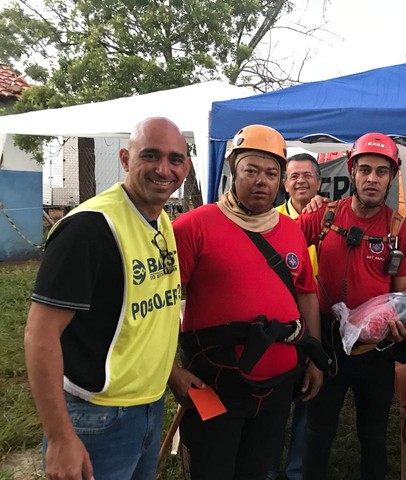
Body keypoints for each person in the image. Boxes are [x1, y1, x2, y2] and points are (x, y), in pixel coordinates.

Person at [24, 117, 198, 480]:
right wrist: (59, 437)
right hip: (95, 416)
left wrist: (171, 374)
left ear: (186, 167)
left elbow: (145, 315)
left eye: (175, 159)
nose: (163, 169)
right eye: (150, 155)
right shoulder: (88, 228)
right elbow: (40, 335)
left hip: (149, 406)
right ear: (125, 159)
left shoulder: (160, 221)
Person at [172, 124, 326, 480]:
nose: (261, 181)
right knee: (212, 470)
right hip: (214, 382)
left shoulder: (290, 230)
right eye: (251, 171)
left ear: (280, 180)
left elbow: (306, 293)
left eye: (271, 173)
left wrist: (315, 357)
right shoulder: (193, 227)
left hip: (276, 387)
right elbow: (159, 304)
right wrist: (171, 372)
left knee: (258, 469)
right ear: (233, 171)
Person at [297, 132, 406, 480]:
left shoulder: (402, 232)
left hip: (374, 349)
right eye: (365, 170)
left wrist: (397, 324)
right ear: (352, 171)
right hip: (327, 343)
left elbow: (401, 296)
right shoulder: (324, 216)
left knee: (373, 434)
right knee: (318, 431)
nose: (372, 179)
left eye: (382, 172)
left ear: (392, 177)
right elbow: (279, 243)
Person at [268, 153, 322, 480]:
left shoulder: (330, 217)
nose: (301, 181)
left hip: (317, 317)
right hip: (280, 321)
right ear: (284, 184)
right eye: (294, 176)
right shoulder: (269, 220)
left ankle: (297, 471)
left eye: (307, 175)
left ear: (319, 181)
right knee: (273, 405)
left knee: (308, 400)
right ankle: (268, 469)